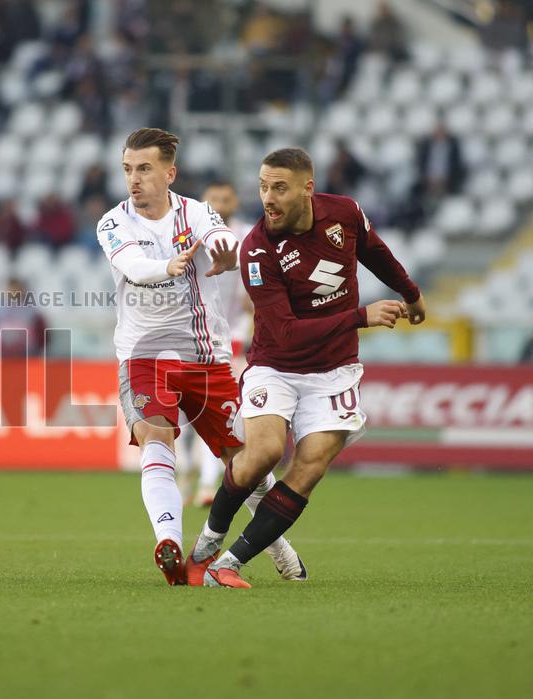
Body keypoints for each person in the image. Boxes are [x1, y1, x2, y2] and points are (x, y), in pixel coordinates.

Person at [195, 147, 425, 588]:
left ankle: (230, 563)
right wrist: (361, 315)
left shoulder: (345, 213)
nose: (268, 198)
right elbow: (285, 333)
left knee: (309, 467)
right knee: (260, 455)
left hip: (335, 371)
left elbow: (374, 251)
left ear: (307, 188)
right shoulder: (258, 250)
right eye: (262, 187)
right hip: (275, 366)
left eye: (279, 187)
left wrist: (410, 293)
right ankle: (211, 535)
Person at [97, 128, 305, 587]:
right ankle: (168, 542)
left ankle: (278, 547)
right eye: (128, 169)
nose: (134, 178)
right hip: (144, 358)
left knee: (246, 460)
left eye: (145, 168)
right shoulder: (114, 222)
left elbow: (222, 240)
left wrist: (226, 254)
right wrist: (167, 266)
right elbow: (132, 265)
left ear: (169, 173)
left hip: (207, 358)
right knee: (157, 439)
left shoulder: (197, 211)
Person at [176, 180, 254, 508]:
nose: (220, 204)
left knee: (222, 411)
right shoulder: (188, 235)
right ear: (203, 203)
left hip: (230, 334)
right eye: (214, 199)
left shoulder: (247, 235)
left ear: (235, 201)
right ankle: (183, 471)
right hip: (190, 331)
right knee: (180, 413)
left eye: (226, 198)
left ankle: (208, 484)